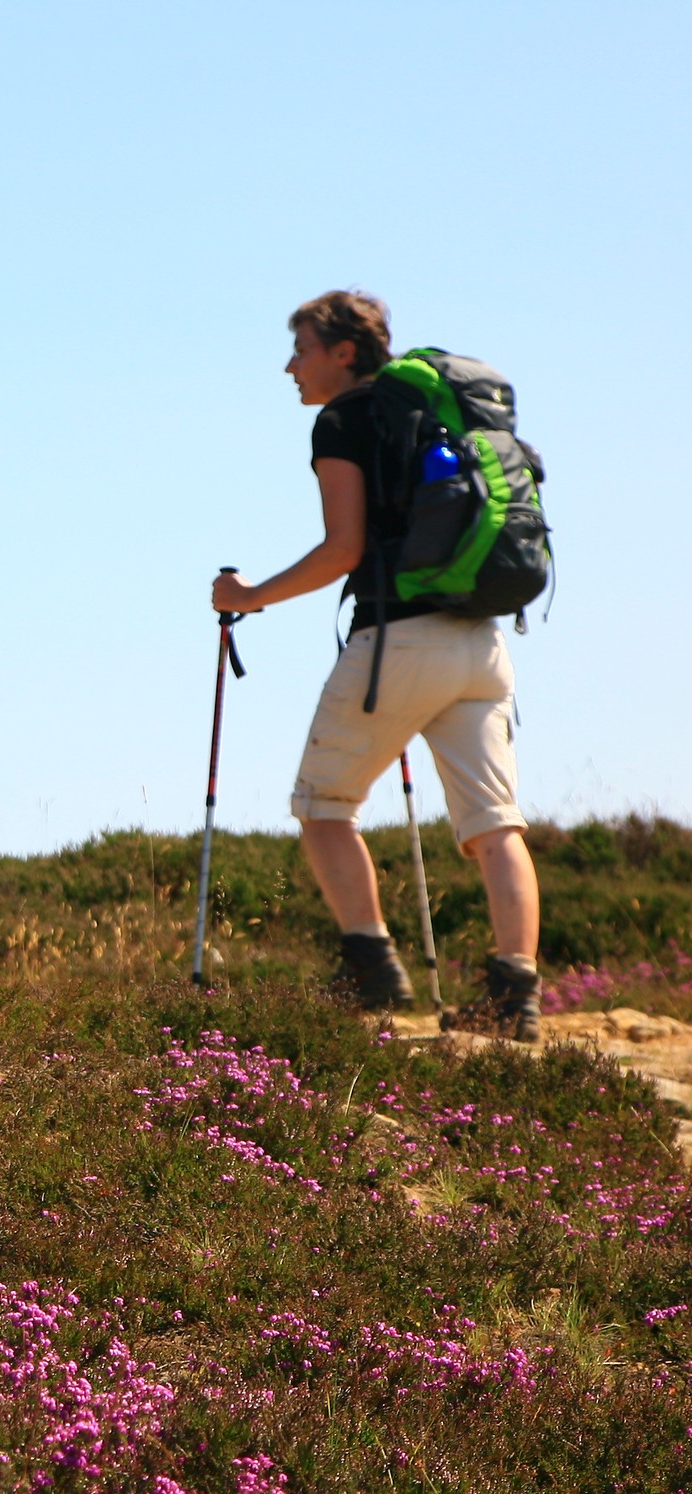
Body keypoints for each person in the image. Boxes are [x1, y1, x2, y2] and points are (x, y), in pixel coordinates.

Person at [212, 290, 542, 1038]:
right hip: (481, 642)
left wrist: (249, 595)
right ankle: (515, 998)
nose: (290, 365)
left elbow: (343, 550)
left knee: (323, 806)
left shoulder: (344, 420)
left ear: (343, 352)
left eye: (301, 348)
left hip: (400, 638)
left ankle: (373, 972)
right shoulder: (429, 417)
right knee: (495, 825)